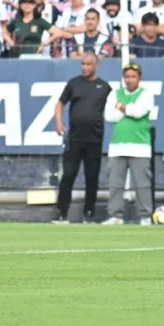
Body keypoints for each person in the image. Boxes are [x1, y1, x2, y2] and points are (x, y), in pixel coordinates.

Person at [52, 53, 112, 224]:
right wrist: (59, 122)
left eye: (88, 64)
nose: (84, 67)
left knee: (92, 177)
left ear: (96, 66)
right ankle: (61, 212)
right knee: (68, 175)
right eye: (82, 64)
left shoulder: (104, 87)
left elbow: (114, 107)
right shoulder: (74, 83)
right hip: (75, 138)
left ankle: (89, 213)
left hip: (95, 139)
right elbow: (60, 103)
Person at [103, 63, 155, 225]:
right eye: (127, 77)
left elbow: (138, 112)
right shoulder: (115, 93)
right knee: (115, 184)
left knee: (142, 184)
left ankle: (145, 215)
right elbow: (109, 116)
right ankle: (115, 216)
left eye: (133, 77)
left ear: (139, 78)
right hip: (118, 145)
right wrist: (127, 110)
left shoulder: (146, 94)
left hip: (140, 146)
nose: (129, 80)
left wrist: (122, 107)